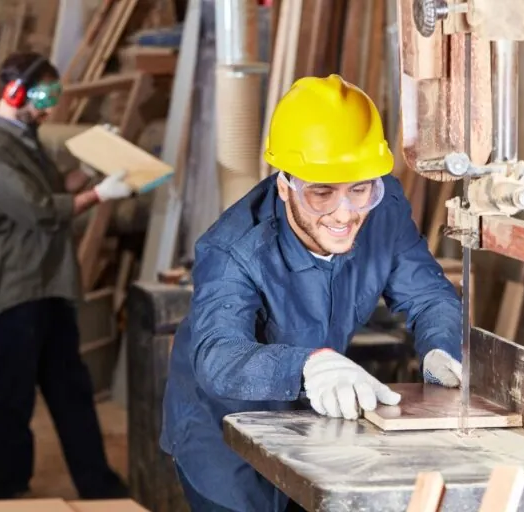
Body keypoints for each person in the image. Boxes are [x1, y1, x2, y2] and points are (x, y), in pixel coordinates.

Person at [160, 74, 464, 512]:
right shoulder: (233, 249)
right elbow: (217, 355)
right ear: (285, 186)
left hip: (312, 421)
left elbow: (429, 296)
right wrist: (307, 366)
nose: (345, 213)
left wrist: (442, 347)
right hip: (222, 431)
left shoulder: (383, 210)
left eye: (360, 189)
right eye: (322, 193)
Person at [0, 51, 133, 500]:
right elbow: (40, 211)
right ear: (14, 92)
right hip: (20, 291)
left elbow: (53, 188)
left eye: (54, 97)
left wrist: (93, 167)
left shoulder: (23, 138)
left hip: (50, 286)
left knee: (71, 392)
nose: (49, 107)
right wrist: (101, 193)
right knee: (13, 398)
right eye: (43, 97)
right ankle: (9, 490)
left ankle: (98, 487)